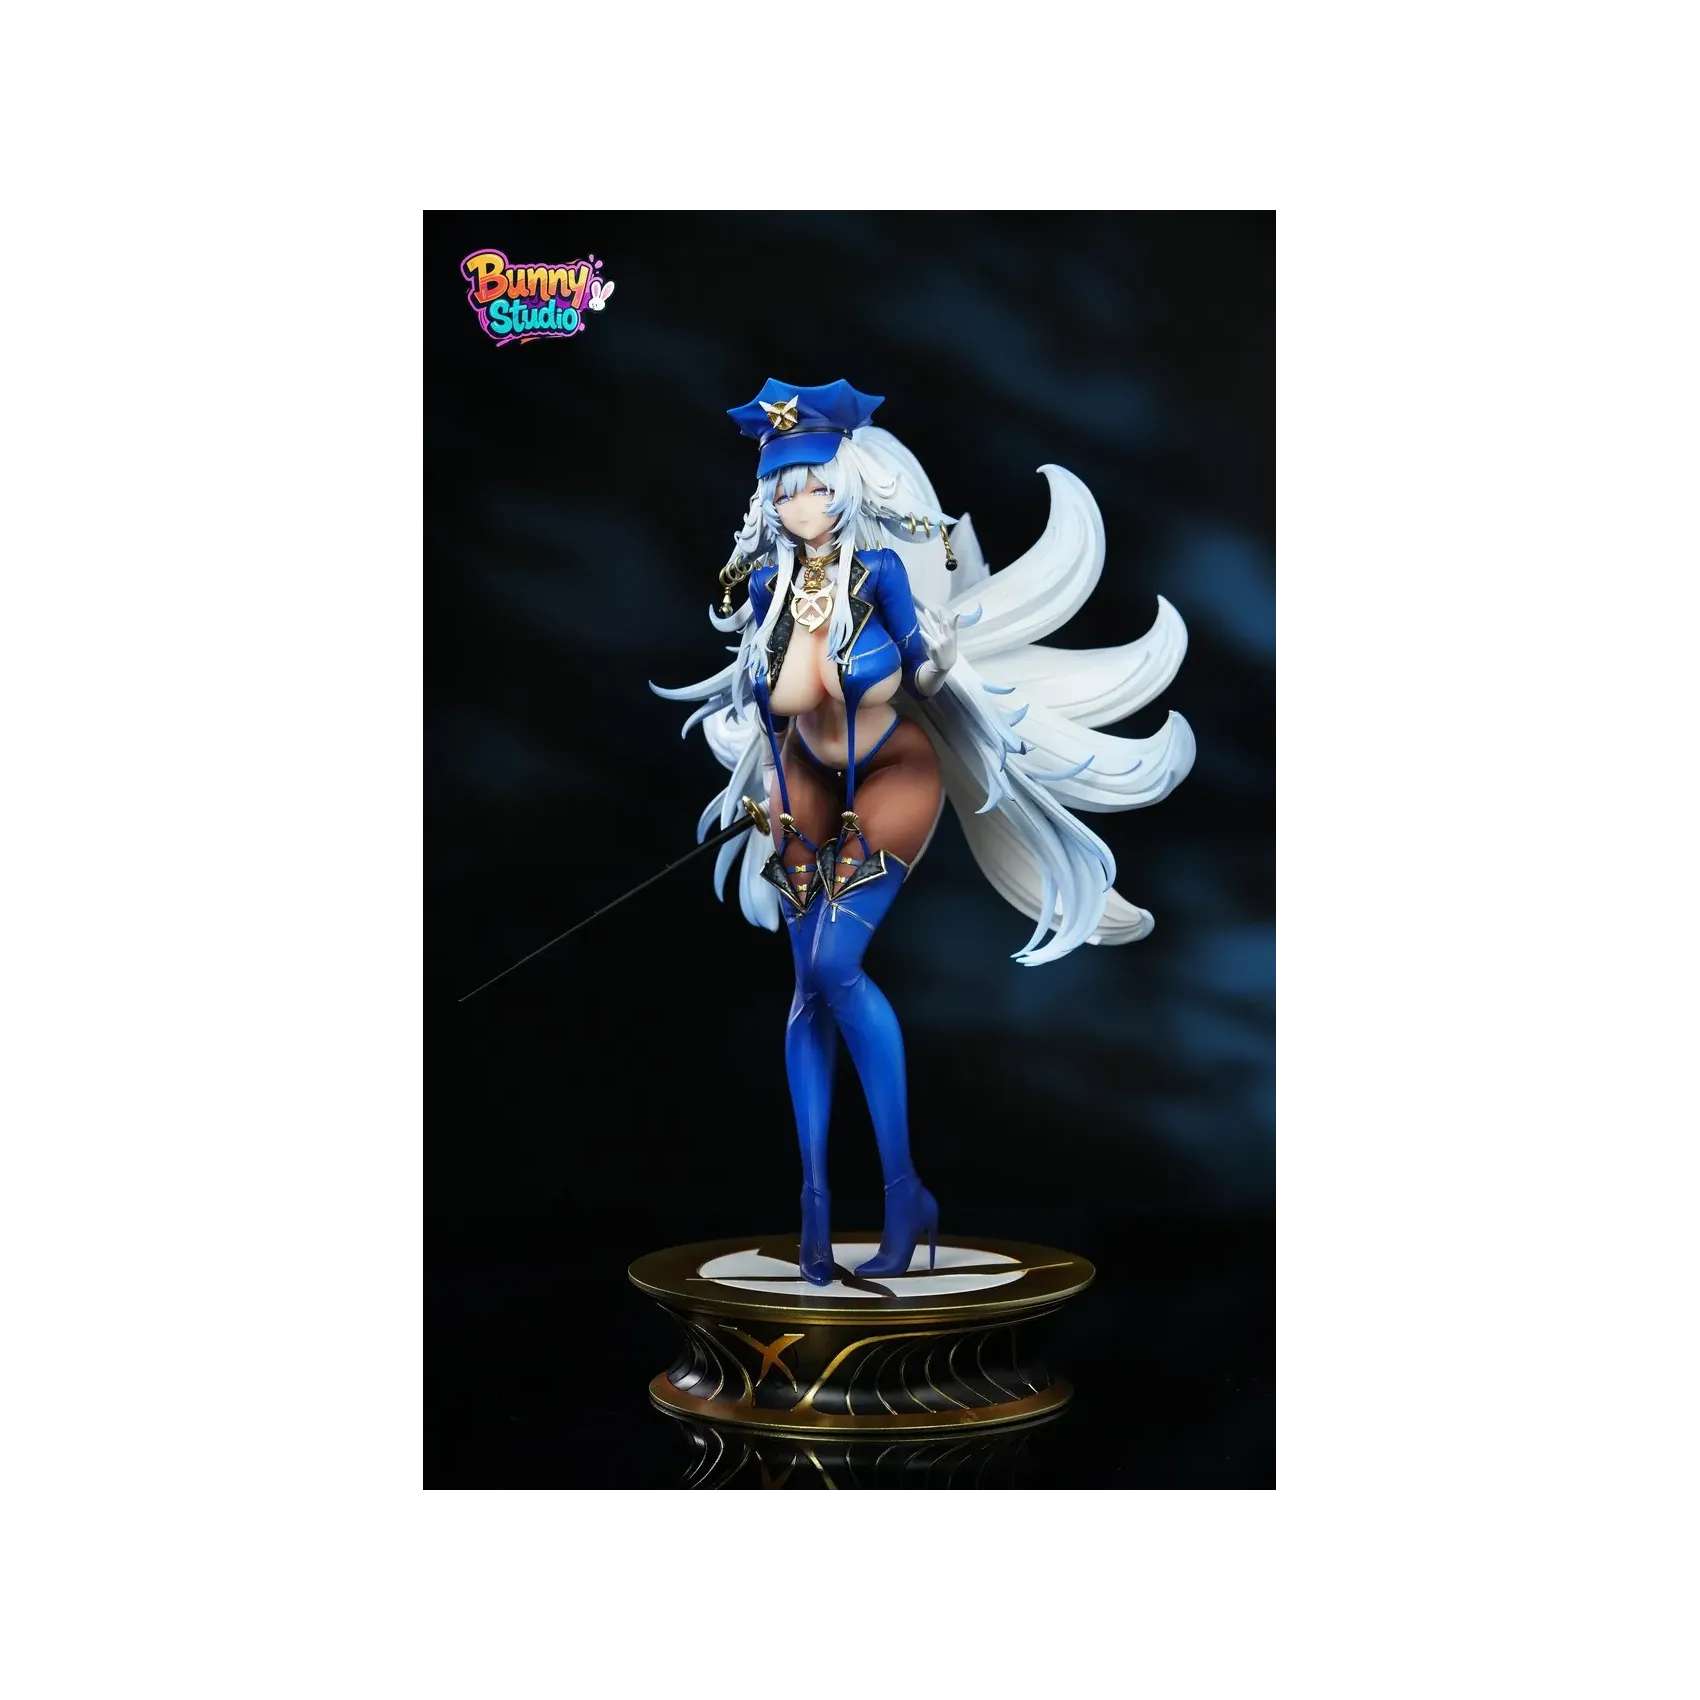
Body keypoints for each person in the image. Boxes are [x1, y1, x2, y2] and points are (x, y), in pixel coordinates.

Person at [652, 380, 1195, 1285]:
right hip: (799, 777)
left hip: (894, 769)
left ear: (847, 489)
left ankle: (904, 1190)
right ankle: (815, 1205)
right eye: (785, 491)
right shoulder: (766, 588)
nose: (801, 505)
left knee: (834, 968)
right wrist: (764, 773)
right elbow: (769, 701)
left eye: (816, 486)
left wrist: (946, 667)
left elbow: (930, 675)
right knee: (806, 989)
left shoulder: (882, 575)